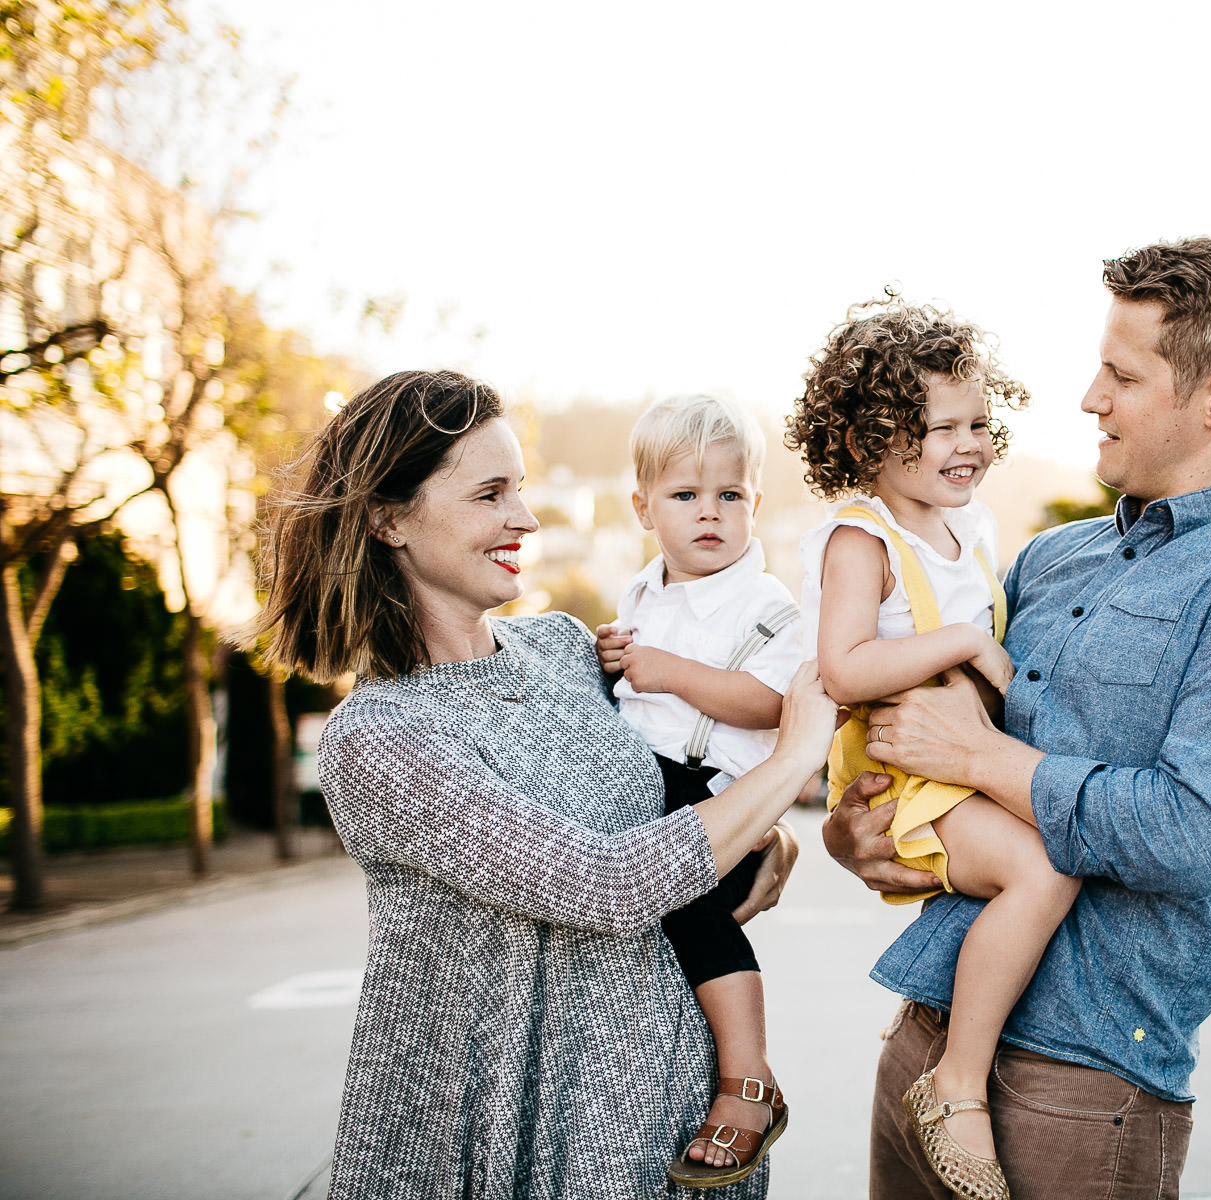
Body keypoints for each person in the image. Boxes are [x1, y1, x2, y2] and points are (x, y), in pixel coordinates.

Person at [825, 237, 1211, 1199]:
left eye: (1122, 374)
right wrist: (854, 830)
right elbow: (920, 754)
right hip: (922, 1035)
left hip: (1080, 1083)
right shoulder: (1050, 559)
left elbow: (1192, 834)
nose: (1089, 398)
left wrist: (986, 759)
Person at [240, 369, 836, 1200]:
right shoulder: (380, 739)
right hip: (523, 1141)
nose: (524, 518)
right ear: (388, 518)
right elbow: (608, 882)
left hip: (681, 1133)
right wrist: (791, 763)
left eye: (519, 489)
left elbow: (667, 813)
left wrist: (761, 838)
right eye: (490, 494)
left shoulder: (563, 649)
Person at [786, 297, 1078, 1200]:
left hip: (959, 763)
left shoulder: (976, 531)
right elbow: (842, 666)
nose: (968, 444)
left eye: (978, 422)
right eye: (936, 427)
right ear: (870, 443)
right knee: (1043, 870)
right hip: (902, 777)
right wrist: (964, 645)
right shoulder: (859, 539)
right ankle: (955, 1085)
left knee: (1047, 854)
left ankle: (939, 1031)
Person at [594, 394, 803, 1187]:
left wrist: (669, 671)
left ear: (756, 503)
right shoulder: (642, 594)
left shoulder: (767, 603)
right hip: (650, 789)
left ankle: (748, 1081)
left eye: (729, 496)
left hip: (721, 800)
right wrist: (617, 655)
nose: (708, 514)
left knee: (689, 904)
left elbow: (772, 703)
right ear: (644, 508)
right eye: (685, 496)